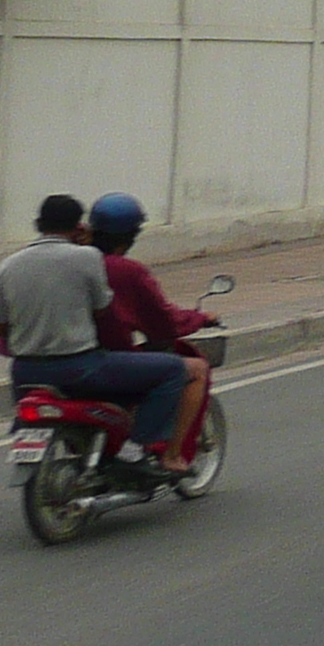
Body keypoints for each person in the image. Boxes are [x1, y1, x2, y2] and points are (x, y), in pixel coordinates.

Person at [0, 194, 191, 474]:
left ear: (37, 224)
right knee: (173, 370)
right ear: (79, 226)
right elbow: (103, 311)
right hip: (79, 368)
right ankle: (134, 450)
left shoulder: (8, 266)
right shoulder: (87, 257)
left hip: (24, 373)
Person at [84, 194, 213, 463]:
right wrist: (199, 319)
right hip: (105, 359)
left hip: (52, 359)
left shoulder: (74, 263)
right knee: (193, 370)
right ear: (131, 235)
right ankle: (167, 453)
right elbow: (162, 320)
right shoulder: (127, 270)